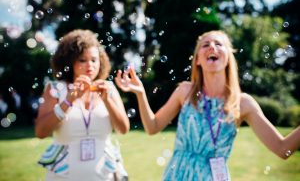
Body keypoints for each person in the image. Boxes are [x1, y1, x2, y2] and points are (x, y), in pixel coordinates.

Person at [115, 30, 300, 181]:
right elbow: (152, 127)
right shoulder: (185, 92)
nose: (212, 46)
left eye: (219, 44)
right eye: (205, 45)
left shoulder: (242, 103)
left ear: (228, 57)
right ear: (197, 60)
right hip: (177, 176)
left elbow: (283, 149)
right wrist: (140, 93)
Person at [35, 29, 130, 181]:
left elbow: (123, 129)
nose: (90, 65)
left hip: (104, 175)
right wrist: (68, 101)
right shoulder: (54, 89)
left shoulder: (108, 88)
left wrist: (107, 100)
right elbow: (41, 132)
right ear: (69, 61)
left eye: (94, 59)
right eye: (82, 60)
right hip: (63, 176)